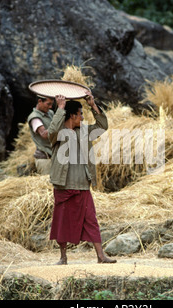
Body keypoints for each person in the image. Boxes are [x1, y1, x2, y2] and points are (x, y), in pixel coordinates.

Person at [48, 91, 116, 265]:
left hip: (82, 184)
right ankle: (63, 257)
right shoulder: (59, 133)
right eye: (80, 114)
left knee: (91, 219)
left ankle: (101, 256)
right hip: (63, 185)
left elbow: (102, 125)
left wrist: (92, 104)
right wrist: (60, 108)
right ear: (71, 115)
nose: (83, 118)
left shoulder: (85, 131)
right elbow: (51, 130)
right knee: (61, 221)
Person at [27, 96, 55, 175]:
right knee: (48, 184)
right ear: (40, 101)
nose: (50, 106)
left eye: (52, 104)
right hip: (44, 158)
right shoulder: (34, 117)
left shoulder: (50, 113)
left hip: (54, 155)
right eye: (48, 104)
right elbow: (44, 134)